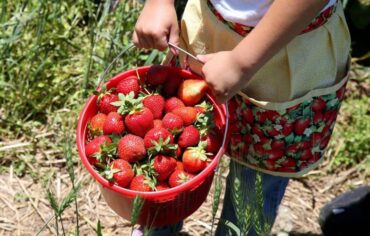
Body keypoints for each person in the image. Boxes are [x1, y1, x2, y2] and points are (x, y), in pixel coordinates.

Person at [132, 0, 351, 235]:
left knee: (252, 188)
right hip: (207, 29)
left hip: (287, 49)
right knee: (168, 155)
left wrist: (241, 63)